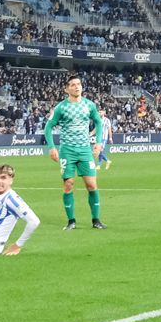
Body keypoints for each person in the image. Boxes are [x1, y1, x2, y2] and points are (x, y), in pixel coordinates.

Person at [44, 75, 106, 230]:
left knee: (91, 184)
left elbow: (98, 122)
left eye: (79, 84)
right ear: (67, 89)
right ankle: (71, 221)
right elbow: (48, 127)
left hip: (85, 150)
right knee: (68, 185)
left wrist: (98, 142)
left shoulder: (89, 105)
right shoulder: (61, 107)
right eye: (73, 85)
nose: (77, 87)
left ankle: (96, 220)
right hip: (67, 151)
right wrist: (51, 147)